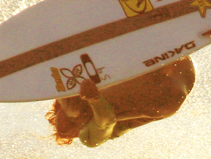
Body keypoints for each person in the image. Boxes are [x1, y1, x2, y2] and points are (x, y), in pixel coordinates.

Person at [46, 56, 195, 147]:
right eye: (66, 133)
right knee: (74, 107)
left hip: (174, 74)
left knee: (73, 98)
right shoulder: (90, 137)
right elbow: (106, 121)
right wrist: (94, 100)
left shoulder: (82, 91)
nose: (65, 130)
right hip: (161, 100)